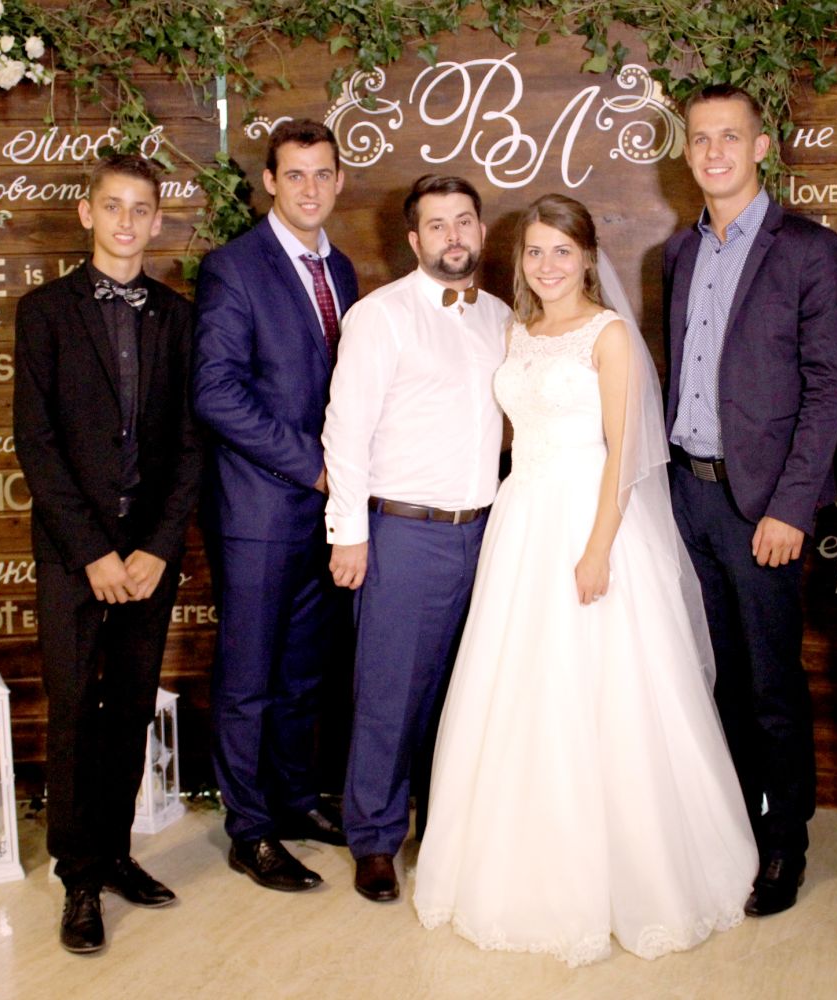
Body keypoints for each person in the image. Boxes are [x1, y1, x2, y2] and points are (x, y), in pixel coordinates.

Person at [414, 193, 758, 965]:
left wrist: (599, 548)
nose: (547, 266)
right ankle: (518, 866)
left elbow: (624, 454)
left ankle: (635, 876)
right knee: (521, 691)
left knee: (604, 693)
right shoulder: (516, 331)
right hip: (521, 524)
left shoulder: (608, 336)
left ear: (587, 257)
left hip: (589, 522)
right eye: (535, 251)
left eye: (561, 252)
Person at [664, 84, 837, 916]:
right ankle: (733, 828)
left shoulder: (806, 249)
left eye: (730, 137)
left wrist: (791, 507)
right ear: (688, 151)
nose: (714, 152)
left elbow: (828, 387)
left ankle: (786, 843)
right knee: (716, 677)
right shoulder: (677, 252)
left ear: (761, 146)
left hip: (763, 507)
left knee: (772, 682)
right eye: (701, 138)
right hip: (689, 496)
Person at [13, 153, 204, 954]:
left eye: (141, 209)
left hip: (148, 559)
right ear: (87, 213)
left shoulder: (178, 317)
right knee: (72, 715)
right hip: (74, 558)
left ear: (157, 221)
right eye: (113, 205)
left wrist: (157, 548)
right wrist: (93, 551)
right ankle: (78, 877)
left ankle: (116, 852)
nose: (127, 221)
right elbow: (37, 441)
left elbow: (191, 444)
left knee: (129, 709)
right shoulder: (44, 312)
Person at [322, 175, 511, 903]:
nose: (453, 236)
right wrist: (349, 534)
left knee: (463, 691)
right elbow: (345, 433)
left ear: (481, 231)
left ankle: (443, 830)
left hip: (487, 531)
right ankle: (373, 839)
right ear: (414, 239)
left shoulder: (503, 317)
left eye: (463, 221)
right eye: (437, 225)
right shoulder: (381, 317)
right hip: (404, 532)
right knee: (389, 693)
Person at [194, 120, 356, 892]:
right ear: (269, 182)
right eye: (295, 175)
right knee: (249, 679)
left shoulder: (342, 269)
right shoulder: (234, 267)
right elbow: (216, 392)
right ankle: (250, 829)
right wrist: (315, 466)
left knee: (301, 675)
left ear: (339, 181)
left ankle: (293, 801)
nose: (310, 188)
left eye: (323, 174)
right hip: (258, 513)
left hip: (324, 516)